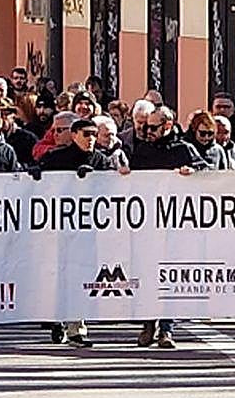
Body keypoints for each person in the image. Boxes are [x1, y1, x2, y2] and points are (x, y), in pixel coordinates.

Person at [120, 105, 206, 349]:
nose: (147, 131)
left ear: (167, 126)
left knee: (169, 274)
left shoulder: (183, 149)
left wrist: (193, 171)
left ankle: (166, 328)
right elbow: (132, 174)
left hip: (175, 224)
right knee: (147, 274)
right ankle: (147, 323)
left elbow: (207, 171)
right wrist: (124, 174)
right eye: (145, 126)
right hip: (147, 223)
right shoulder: (143, 149)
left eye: (153, 127)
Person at [39, 119, 114, 347]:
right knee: (57, 276)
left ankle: (76, 328)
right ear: (73, 135)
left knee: (81, 277)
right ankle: (57, 319)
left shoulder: (102, 161)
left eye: (94, 134)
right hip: (59, 229)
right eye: (86, 134)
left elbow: (115, 188)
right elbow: (39, 181)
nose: (91, 138)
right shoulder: (56, 158)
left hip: (89, 232)